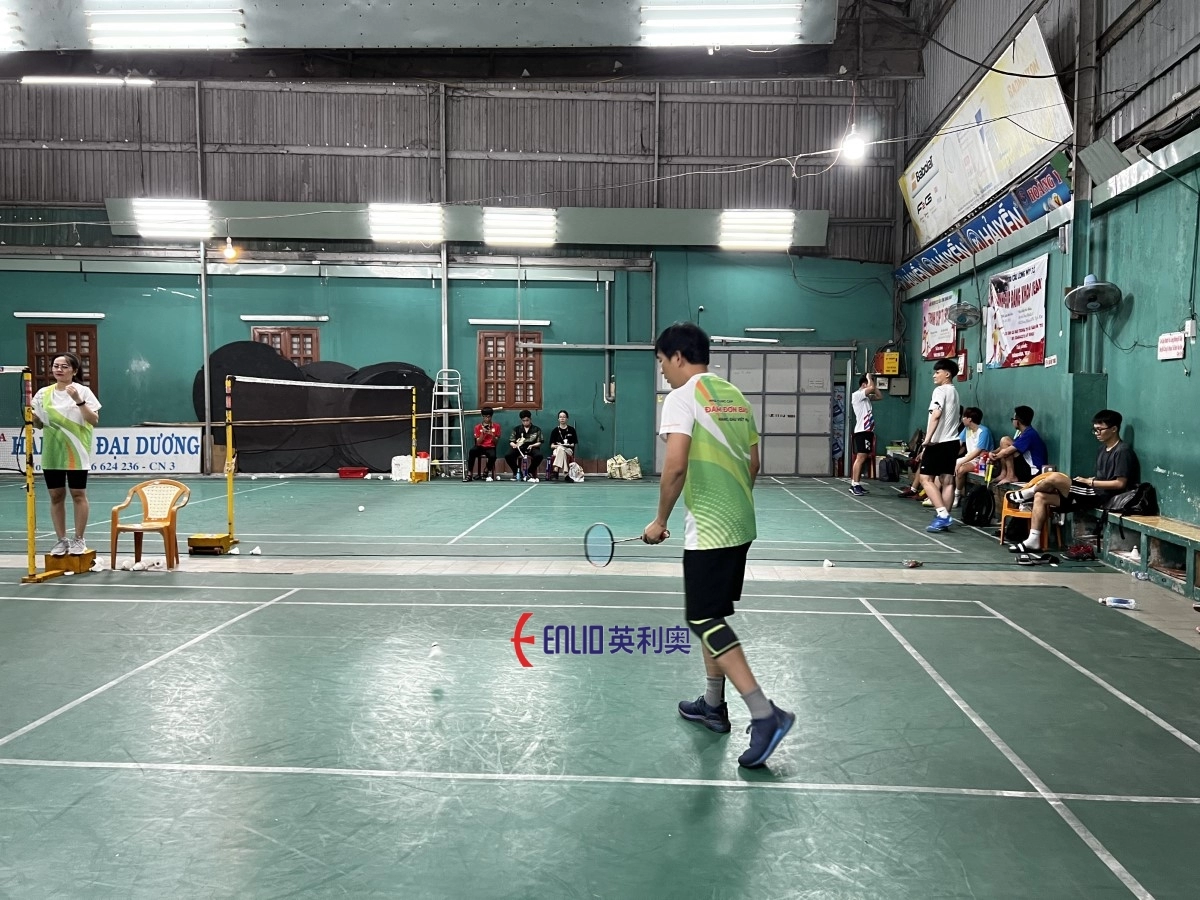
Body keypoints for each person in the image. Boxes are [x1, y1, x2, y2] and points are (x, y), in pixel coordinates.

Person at [643, 322, 794, 769]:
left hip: (709, 530)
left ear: (677, 356)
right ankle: (713, 705)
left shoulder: (682, 397)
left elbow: (675, 467)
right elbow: (754, 463)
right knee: (712, 614)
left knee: (703, 618)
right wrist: (733, 504)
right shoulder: (735, 397)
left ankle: (765, 714)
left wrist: (660, 521)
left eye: (662, 362)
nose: (663, 371)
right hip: (740, 523)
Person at [1005, 409, 1138, 554]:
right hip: (1090, 492)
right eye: (1095, 430)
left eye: (1100, 429)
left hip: (1101, 496)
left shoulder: (1122, 451)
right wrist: (1089, 480)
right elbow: (1103, 477)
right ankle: (1033, 540)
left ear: (1114, 429)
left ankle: (1026, 493)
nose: (1097, 433)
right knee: (1041, 497)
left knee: (1055, 477)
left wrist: (1090, 482)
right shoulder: (1102, 449)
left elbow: (1119, 484)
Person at [30, 352, 100, 556]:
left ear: (74, 370)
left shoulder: (83, 391)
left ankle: (79, 539)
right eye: (55, 366)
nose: (59, 369)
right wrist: (33, 417)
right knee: (56, 495)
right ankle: (61, 540)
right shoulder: (43, 393)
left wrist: (78, 400)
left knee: (78, 494)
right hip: (52, 451)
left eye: (64, 366)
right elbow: (39, 425)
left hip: (76, 451)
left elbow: (94, 420)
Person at [919, 357, 961, 532]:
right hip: (953, 442)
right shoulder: (955, 392)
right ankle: (945, 518)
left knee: (925, 479)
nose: (934, 375)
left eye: (937, 372)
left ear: (947, 374)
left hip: (938, 442)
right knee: (948, 481)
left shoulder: (940, 391)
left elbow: (936, 415)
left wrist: (927, 440)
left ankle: (943, 515)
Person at [990, 405, 1048, 484]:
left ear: (1018, 421)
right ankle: (1004, 474)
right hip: (1025, 468)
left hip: (1032, 472)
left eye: (1013, 419)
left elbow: (1006, 452)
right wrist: (992, 453)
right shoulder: (1023, 434)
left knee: (1005, 440)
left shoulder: (1030, 434)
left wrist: (995, 457)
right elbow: (1002, 448)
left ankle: (1010, 476)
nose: (1012, 422)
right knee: (1005, 443)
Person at [953, 407, 996, 507]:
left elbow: (977, 452)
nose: (962, 419)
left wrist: (960, 462)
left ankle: (957, 495)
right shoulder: (967, 429)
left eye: (964, 417)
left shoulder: (983, 431)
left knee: (961, 469)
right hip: (970, 458)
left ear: (969, 419)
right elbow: (958, 443)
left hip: (981, 460)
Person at [848, 373, 882, 496]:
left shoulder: (866, 398)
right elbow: (871, 388)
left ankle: (856, 484)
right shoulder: (857, 395)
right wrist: (868, 377)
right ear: (864, 385)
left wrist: (872, 382)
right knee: (860, 458)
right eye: (868, 383)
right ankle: (854, 485)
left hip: (868, 432)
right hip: (861, 432)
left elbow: (879, 396)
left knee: (863, 458)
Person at [504, 410, 543, 481]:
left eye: (527, 420)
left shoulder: (537, 429)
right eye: (523, 421)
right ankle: (517, 472)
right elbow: (511, 441)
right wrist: (514, 445)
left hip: (532, 447)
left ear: (530, 419)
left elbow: (539, 442)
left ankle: (530, 472)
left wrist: (533, 445)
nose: (525, 422)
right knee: (508, 455)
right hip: (519, 448)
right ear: (521, 420)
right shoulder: (516, 429)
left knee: (539, 456)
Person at [465, 406, 500, 482]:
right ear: (482, 416)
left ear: (491, 416)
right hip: (480, 446)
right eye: (485, 417)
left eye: (488, 417)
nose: (487, 419)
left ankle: (486, 470)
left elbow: (496, 443)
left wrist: (492, 434)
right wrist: (482, 433)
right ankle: (469, 473)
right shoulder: (477, 427)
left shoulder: (496, 426)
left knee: (493, 456)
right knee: (472, 451)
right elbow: (478, 442)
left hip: (491, 446)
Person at [546, 409, 578, 481]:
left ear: (567, 418)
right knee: (560, 449)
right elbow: (552, 446)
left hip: (568, 450)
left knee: (561, 449)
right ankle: (566, 474)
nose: (562, 418)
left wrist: (566, 445)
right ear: (558, 419)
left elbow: (573, 445)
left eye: (564, 417)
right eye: (560, 417)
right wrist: (559, 446)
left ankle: (556, 468)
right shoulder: (555, 431)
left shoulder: (572, 430)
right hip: (556, 450)